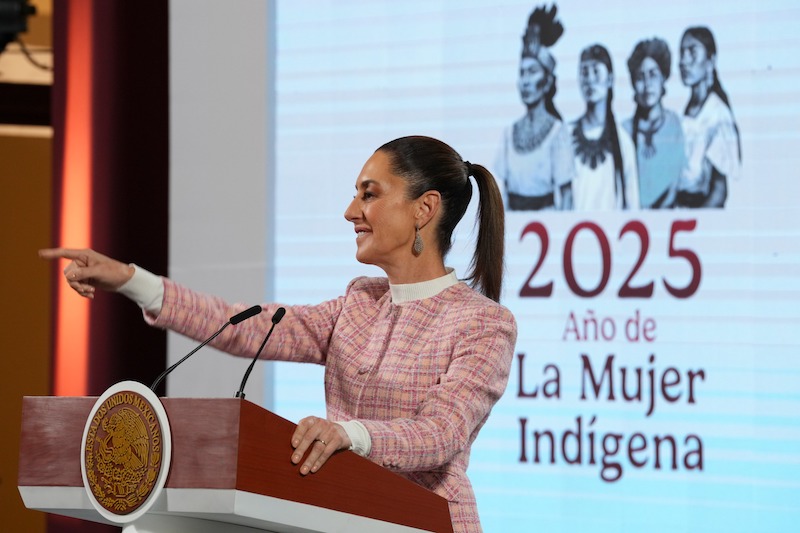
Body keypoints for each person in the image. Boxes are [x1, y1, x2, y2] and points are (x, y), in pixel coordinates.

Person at [40, 135, 518, 533]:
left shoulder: (482, 323)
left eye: (369, 194)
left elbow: (441, 434)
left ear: (424, 208)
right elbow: (243, 328)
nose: (351, 211)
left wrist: (349, 434)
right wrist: (131, 280)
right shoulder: (359, 302)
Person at [495, 4, 574, 210]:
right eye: (522, 73)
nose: (526, 81)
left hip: (546, 222)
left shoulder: (558, 132)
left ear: (547, 82)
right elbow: (503, 192)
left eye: (532, 72)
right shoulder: (509, 133)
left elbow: (567, 196)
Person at [676, 26, 741, 208]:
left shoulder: (718, 114)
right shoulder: (686, 112)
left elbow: (719, 192)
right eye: (682, 53)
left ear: (710, 60)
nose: (684, 61)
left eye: (692, 53)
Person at [570, 44, 639, 211]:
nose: (590, 80)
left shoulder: (623, 142)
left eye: (596, 72)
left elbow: (632, 205)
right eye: (584, 73)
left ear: (609, 79)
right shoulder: (566, 136)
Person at [623, 37, 685, 208]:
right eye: (640, 77)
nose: (647, 84)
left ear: (663, 78)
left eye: (653, 75)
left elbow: (678, 181)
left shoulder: (677, 125)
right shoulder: (624, 131)